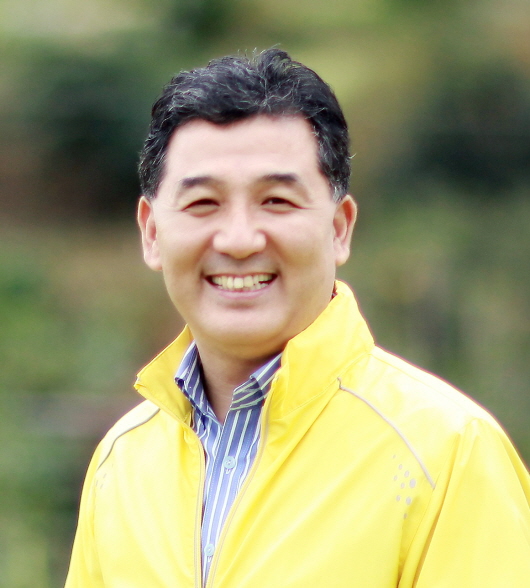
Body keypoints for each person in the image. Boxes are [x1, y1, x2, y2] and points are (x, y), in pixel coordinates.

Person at [65, 48, 530, 587]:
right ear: (151, 232)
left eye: (277, 201)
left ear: (339, 228)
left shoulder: (448, 451)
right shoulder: (121, 463)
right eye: (203, 204)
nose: (239, 240)